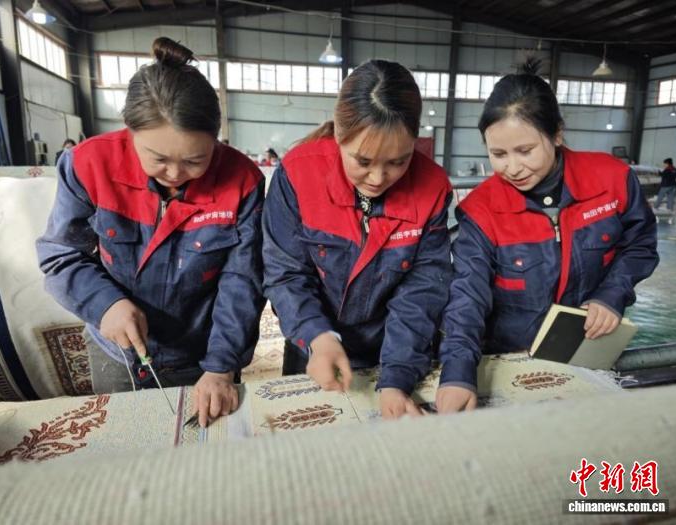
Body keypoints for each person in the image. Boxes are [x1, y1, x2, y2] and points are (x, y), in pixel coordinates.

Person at [37, 37, 265, 428]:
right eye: (158, 159)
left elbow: (243, 281)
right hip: (116, 349)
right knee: (123, 441)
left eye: (195, 161)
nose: (175, 174)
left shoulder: (242, 180)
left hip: (202, 351)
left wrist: (221, 366)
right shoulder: (88, 165)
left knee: (206, 447)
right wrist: (105, 304)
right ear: (130, 132)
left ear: (216, 138)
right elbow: (61, 254)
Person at [436, 58, 659, 414]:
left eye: (525, 151)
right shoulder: (481, 211)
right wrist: (458, 374)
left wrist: (611, 295)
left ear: (556, 134)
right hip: (510, 360)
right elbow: (467, 296)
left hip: (587, 354)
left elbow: (640, 245)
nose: (512, 167)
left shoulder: (612, 180)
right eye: (498, 154)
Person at [262, 60, 453, 419]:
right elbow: (285, 273)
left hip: (394, 351)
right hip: (314, 347)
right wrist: (317, 337)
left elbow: (423, 289)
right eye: (363, 161)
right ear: (339, 135)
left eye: (398, 162)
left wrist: (397, 376)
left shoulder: (432, 187)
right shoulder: (299, 174)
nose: (378, 178)